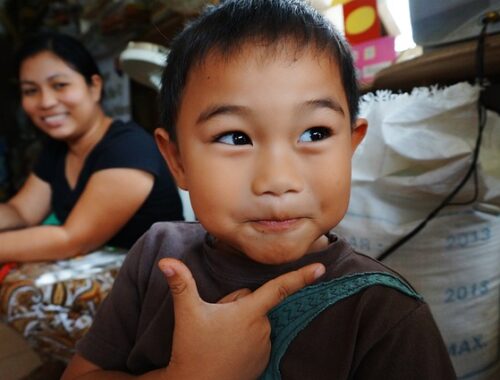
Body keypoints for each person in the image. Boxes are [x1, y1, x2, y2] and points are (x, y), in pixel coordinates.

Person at [63, 0, 457, 379]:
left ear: (350, 147)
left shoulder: (385, 315)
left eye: (314, 133)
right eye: (235, 137)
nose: (278, 180)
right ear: (177, 161)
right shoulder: (155, 257)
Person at [0, 32, 183, 261]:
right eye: (30, 91)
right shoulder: (57, 149)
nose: (45, 102)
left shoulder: (128, 148)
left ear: (94, 87)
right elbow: (21, 212)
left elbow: (72, 240)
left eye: (59, 85)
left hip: (152, 284)